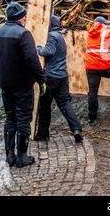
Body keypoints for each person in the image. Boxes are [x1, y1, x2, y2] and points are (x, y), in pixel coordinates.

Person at [0, 1, 46, 169]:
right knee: (23, 118)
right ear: (20, 18)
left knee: (10, 118)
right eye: (24, 17)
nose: (25, 19)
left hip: (6, 84)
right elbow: (32, 60)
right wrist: (41, 79)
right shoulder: (23, 34)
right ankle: (22, 156)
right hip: (22, 85)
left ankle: (9, 156)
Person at [35, 15, 83, 144]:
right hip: (62, 76)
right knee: (64, 103)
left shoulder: (52, 36)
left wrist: (38, 48)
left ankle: (43, 134)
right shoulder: (60, 36)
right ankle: (76, 129)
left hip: (51, 77)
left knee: (44, 106)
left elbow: (49, 51)